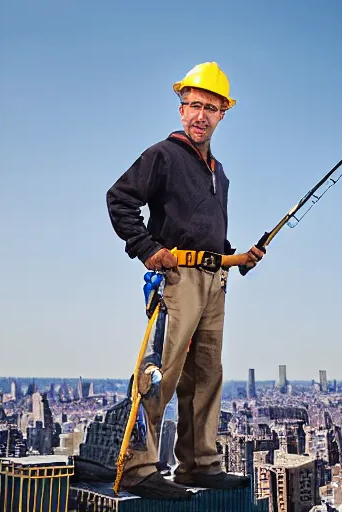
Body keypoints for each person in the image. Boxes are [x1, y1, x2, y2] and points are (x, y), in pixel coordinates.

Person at [106, 62, 264, 499]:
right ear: (181, 110)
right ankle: (139, 467)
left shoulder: (220, 173)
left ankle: (198, 464)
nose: (200, 115)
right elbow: (119, 199)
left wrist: (239, 257)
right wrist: (147, 248)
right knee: (161, 373)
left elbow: (208, 233)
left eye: (210, 108)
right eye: (193, 105)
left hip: (215, 280)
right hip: (177, 277)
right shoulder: (163, 155)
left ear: (222, 115)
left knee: (207, 373)